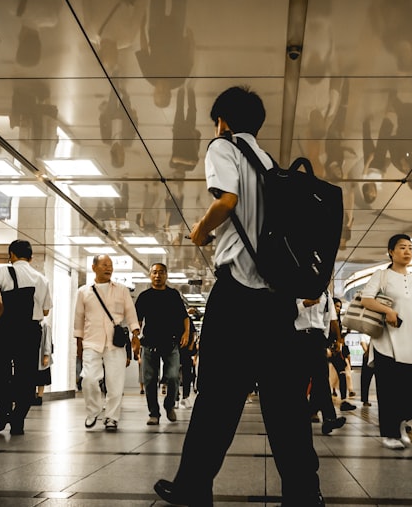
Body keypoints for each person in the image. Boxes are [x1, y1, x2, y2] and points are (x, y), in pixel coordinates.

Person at [154, 85, 324, 506]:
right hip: (277, 297)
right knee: (285, 404)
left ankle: (194, 487)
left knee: (217, 397)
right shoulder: (270, 165)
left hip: (237, 297)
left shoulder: (222, 147)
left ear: (222, 120)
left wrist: (199, 230)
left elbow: (227, 200)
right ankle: (305, 495)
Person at [360, 234, 412, 450]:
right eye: (402, 247)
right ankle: (390, 434)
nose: (407, 251)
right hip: (387, 343)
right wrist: (387, 310)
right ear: (391, 252)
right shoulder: (382, 276)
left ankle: (401, 421)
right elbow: (366, 299)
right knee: (389, 392)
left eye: (410, 248)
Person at [0, 239, 52, 435]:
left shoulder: (3, 272)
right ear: (31, 257)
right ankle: (18, 419)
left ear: (11, 255)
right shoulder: (41, 278)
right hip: (31, 332)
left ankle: (3, 412)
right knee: (26, 377)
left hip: (5, 331)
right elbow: (46, 310)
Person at [74, 254, 140, 433]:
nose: (108, 268)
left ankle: (111, 417)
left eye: (110, 265)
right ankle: (93, 411)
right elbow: (79, 317)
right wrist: (78, 342)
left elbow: (131, 313)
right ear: (94, 267)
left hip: (115, 342)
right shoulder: (83, 291)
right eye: (104, 264)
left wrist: (135, 334)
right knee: (88, 379)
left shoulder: (122, 290)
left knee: (115, 382)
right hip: (91, 341)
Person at [135, 262, 189, 426]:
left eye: (161, 272)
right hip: (149, 344)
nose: (157, 275)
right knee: (150, 380)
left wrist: (186, 333)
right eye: (154, 272)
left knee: (173, 377)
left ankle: (169, 405)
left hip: (171, 343)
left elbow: (184, 317)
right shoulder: (144, 297)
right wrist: (135, 337)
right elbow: (137, 320)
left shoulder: (173, 295)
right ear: (150, 275)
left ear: (166, 275)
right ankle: (154, 413)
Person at [296, 289, 346, 435]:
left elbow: (330, 318)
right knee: (301, 380)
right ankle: (300, 417)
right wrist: (304, 304)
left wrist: (332, 339)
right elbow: (285, 312)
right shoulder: (293, 286)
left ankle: (329, 418)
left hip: (317, 338)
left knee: (321, 378)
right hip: (298, 337)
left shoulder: (325, 293)